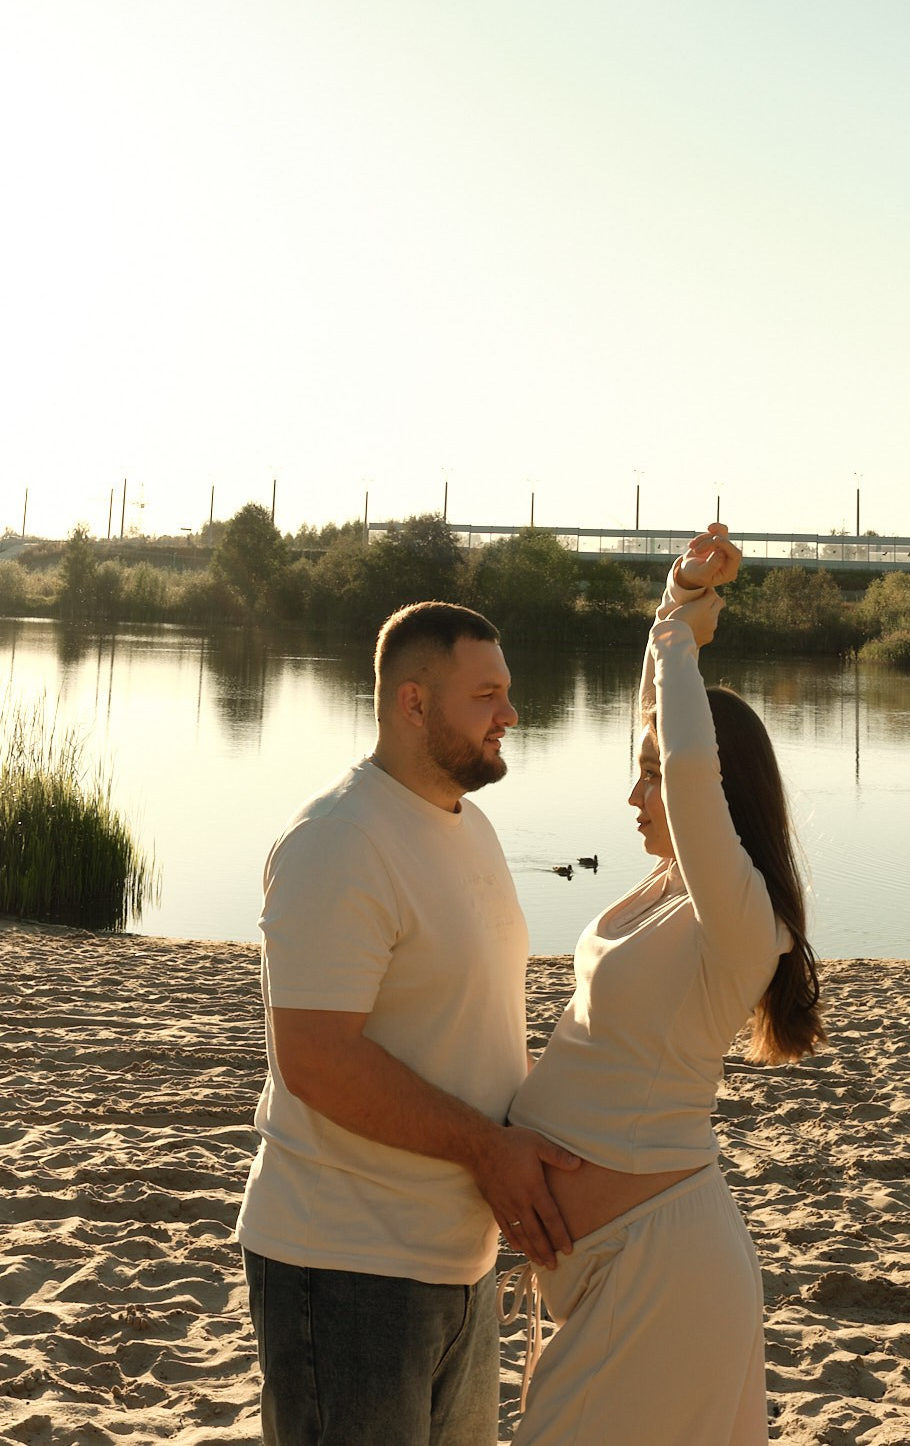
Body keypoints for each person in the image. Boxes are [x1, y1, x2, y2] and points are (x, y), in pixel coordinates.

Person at [502, 524, 825, 1445]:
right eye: (634, 775)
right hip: (604, 1272)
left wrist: (683, 631)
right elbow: (665, 735)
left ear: (716, 798)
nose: (635, 798)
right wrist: (673, 601)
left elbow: (684, 763)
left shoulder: (738, 915)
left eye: (651, 781)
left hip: (660, 1270)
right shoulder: (665, 890)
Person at [235, 600, 580, 1446]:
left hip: (456, 1265)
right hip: (345, 1266)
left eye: (508, 693)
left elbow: (469, 1028)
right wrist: (487, 1150)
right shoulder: (340, 839)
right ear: (413, 702)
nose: (510, 714)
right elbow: (316, 1059)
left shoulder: (472, 829)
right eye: (486, 694)